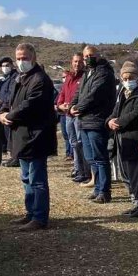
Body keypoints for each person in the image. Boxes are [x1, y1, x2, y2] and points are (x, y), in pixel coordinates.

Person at [0, 43, 58, 231]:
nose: (21, 61)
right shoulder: (20, 77)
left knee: (36, 179)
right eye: (18, 58)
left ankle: (39, 217)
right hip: (22, 136)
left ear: (33, 58)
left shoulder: (40, 79)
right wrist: (2, 113)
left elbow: (30, 105)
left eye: (24, 58)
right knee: (26, 178)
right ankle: (31, 212)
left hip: (36, 136)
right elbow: (8, 100)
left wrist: (9, 116)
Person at [71, 46, 117, 203]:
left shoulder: (104, 73)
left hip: (97, 120)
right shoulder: (87, 73)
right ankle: (97, 188)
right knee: (91, 157)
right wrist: (73, 105)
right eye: (85, 56)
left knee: (100, 157)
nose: (88, 58)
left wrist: (78, 108)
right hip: (85, 120)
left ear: (98, 55)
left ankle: (104, 191)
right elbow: (79, 92)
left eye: (91, 55)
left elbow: (94, 95)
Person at [108, 61, 138, 218]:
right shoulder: (121, 92)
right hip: (121, 139)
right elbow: (115, 111)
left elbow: (137, 112)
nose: (128, 80)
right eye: (124, 77)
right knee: (126, 174)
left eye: (131, 77)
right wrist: (110, 120)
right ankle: (135, 202)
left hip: (134, 137)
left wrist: (119, 122)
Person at [56, 53, 87, 182]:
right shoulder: (69, 77)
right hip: (68, 115)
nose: (77, 64)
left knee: (81, 143)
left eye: (80, 62)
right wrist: (60, 105)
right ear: (71, 62)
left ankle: (85, 171)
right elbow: (63, 93)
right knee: (73, 143)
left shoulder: (85, 77)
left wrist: (76, 106)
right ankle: (77, 168)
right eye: (75, 61)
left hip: (78, 115)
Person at [0, 56, 20, 167]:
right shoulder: (5, 79)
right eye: (3, 66)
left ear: (12, 65)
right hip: (4, 109)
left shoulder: (15, 77)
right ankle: (12, 157)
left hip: (11, 109)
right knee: (8, 135)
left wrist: (3, 103)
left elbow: (12, 94)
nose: (5, 68)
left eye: (7, 65)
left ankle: (16, 158)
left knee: (13, 135)